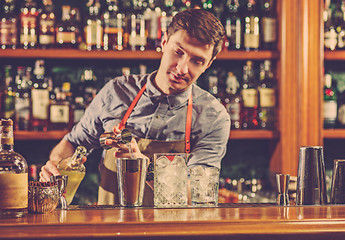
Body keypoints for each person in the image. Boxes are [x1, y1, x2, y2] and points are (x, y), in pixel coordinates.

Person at [39, 8, 230, 206]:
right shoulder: (117, 91)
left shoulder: (213, 117)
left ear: (208, 64)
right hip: (110, 229)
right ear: (164, 42)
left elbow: (199, 194)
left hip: (172, 232)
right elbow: (73, 143)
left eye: (197, 61)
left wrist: (144, 168)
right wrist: (56, 164)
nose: (182, 68)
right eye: (178, 52)